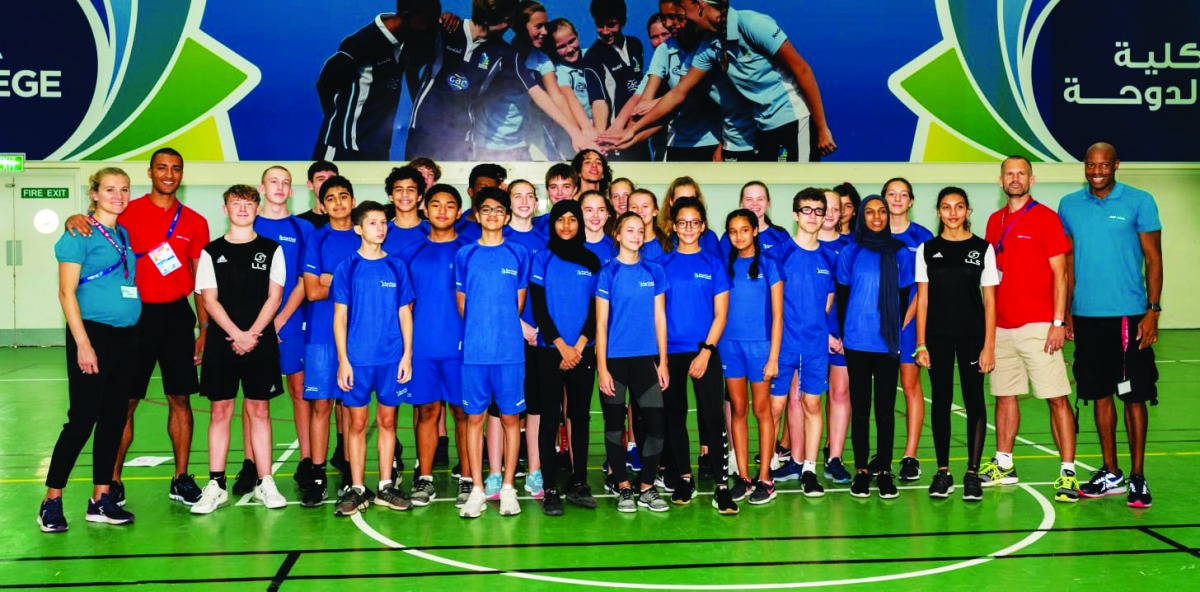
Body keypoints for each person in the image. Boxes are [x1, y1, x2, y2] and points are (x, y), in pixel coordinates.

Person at [65, 148, 209, 507]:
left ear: (181, 174)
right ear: (150, 172)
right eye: (162, 167)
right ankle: (111, 480)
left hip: (177, 318)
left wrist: (203, 326)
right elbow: (95, 222)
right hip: (135, 318)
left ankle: (181, 477)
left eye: (176, 168)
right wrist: (74, 217)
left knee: (181, 398)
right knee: (123, 402)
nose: (169, 174)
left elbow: (200, 280)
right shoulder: (127, 210)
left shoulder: (194, 221)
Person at [1059, 142, 1162, 508]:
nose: (1096, 170)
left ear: (1116, 165)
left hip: (1128, 315)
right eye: (1090, 164)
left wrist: (1152, 310)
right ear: (1084, 166)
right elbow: (1068, 264)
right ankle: (1111, 472)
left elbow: (1153, 258)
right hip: (1087, 316)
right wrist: (1067, 310)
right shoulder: (1069, 205)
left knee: (1133, 395)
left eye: (1103, 164)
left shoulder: (1140, 200)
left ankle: (1137, 476)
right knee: (1099, 393)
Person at [612, 0, 835, 161]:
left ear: (699, 6)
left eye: (684, 13)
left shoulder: (752, 23)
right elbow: (678, 94)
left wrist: (822, 127)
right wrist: (634, 130)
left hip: (793, 120)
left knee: (797, 194)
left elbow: (802, 69)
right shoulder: (709, 47)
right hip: (764, 128)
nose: (682, 20)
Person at [41, 168, 140, 532]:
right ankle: (51, 500)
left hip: (126, 337)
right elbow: (66, 292)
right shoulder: (78, 232)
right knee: (82, 419)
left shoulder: (122, 233)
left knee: (114, 418)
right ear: (94, 194)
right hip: (92, 337)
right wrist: (83, 344)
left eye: (124, 189)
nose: (118, 195)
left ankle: (100, 499)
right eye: (110, 189)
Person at [981, 155, 1079, 503]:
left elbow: (1061, 274)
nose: (1015, 178)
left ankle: (1068, 472)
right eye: (1009, 173)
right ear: (1001, 180)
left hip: (1039, 325)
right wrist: (989, 330)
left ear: (1032, 180)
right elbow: (991, 278)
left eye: (1021, 173)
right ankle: (1004, 464)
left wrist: (1057, 322)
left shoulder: (1046, 219)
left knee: (1056, 399)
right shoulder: (994, 221)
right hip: (1003, 326)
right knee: (1004, 396)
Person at [190, 185, 287, 515]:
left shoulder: (272, 249)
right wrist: (236, 334)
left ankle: (265, 481)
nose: (243, 209)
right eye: (236, 203)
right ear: (225, 209)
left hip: (259, 342)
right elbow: (209, 299)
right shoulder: (210, 251)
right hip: (223, 343)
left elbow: (274, 297)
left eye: (249, 203)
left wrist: (253, 334)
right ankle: (216, 484)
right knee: (220, 412)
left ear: (258, 209)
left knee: (260, 411)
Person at [232, 167, 316, 496]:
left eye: (285, 183)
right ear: (261, 187)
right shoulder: (249, 224)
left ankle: (307, 462)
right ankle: (250, 464)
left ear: (292, 190)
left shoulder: (303, 227)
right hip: (251, 326)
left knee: (300, 392)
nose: (279, 188)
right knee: (253, 398)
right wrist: (256, 326)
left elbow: (303, 280)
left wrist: (279, 321)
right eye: (273, 182)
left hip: (290, 322)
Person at [332, 201, 416, 516]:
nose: (380, 228)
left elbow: (405, 313)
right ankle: (356, 487)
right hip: (357, 359)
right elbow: (339, 317)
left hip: (391, 359)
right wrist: (343, 359)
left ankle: (385, 486)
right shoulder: (347, 267)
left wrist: (406, 354)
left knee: (388, 421)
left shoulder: (396, 266)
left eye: (383, 223)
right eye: (373, 223)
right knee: (356, 423)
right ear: (358, 228)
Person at [914, 187, 998, 502]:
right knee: (942, 401)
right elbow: (922, 299)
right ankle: (943, 471)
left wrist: (989, 345)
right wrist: (921, 343)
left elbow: (990, 302)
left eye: (959, 206)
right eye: (947, 207)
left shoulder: (983, 249)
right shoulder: (926, 249)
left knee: (975, 401)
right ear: (938, 212)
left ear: (967, 211)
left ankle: (973, 473)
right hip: (937, 336)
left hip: (973, 336)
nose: (953, 213)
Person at [455, 187, 531, 519]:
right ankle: (476, 490)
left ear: (508, 217)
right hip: (475, 352)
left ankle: (510, 487)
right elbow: (463, 308)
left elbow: (518, 304)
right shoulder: (465, 255)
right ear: (477, 214)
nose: (492, 216)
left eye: (499, 211)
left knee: (512, 418)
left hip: (510, 352)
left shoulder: (519, 254)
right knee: (475, 419)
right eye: (486, 210)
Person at [396, 185, 473, 507]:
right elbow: (403, 307)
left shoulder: (471, 250)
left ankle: (468, 479)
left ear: (458, 212)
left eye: (450, 205)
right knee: (426, 412)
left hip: (461, 350)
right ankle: (424, 478)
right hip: (423, 349)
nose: (442, 211)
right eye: (436, 205)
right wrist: (406, 351)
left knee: (464, 414)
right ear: (425, 210)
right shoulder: (409, 254)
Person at [836, 195, 914, 499]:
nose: (877, 217)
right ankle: (861, 471)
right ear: (862, 217)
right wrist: (845, 333)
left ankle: (883, 470)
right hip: (856, 342)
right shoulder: (850, 252)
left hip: (887, 345)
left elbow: (905, 297)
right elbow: (842, 298)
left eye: (882, 211)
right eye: (870, 212)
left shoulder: (900, 253)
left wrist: (894, 332)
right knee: (860, 409)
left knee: (884, 410)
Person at [529, 199, 602, 515]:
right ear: (553, 224)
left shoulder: (593, 261)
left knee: (580, 418)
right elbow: (539, 308)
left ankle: (580, 483)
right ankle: (551, 489)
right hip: (550, 353)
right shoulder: (541, 259)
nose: (567, 224)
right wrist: (560, 345)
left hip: (583, 352)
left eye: (574, 219)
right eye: (561, 219)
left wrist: (581, 344)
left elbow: (596, 309)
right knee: (549, 417)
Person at [595, 212, 671, 512]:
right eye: (630, 230)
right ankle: (624, 487)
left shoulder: (654, 271)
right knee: (615, 426)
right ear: (617, 234)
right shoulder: (607, 273)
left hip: (645, 361)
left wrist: (662, 362)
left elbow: (660, 319)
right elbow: (600, 325)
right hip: (614, 361)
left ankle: (647, 487)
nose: (636, 236)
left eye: (640, 231)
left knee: (655, 425)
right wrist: (601, 367)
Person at [657, 198, 729, 506]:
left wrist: (707, 351)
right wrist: (661, 360)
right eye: (682, 222)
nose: (688, 228)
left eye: (695, 222)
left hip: (705, 352)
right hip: (671, 353)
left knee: (713, 415)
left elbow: (721, 313)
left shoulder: (713, 264)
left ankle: (722, 485)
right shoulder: (662, 265)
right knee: (674, 416)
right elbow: (658, 315)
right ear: (673, 226)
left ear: (702, 226)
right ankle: (685, 478)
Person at [767, 188, 836, 499]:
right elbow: (771, 303)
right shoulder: (778, 254)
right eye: (806, 210)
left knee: (812, 403)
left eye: (818, 211)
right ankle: (766, 467)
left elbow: (829, 298)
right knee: (776, 405)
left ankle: (809, 469)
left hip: (814, 346)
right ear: (795, 214)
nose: (812, 216)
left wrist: (816, 328)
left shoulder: (829, 257)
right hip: (782, 346)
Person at [314, 0, 443, 160]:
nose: (429, 33)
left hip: (376, 149)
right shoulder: (362, 42)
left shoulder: (409, 35)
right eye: (426, 27)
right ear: (406, 16)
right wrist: (337, 120)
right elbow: (324, 82)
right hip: (342, 148)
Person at [300, 175, 361, 508]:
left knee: (353, 408)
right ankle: (319, 475)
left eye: (344, 196)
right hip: (322, 335)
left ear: (352, 201)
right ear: (323, 205)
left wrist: (330, 279)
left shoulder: (363, 235)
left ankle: (353, 476)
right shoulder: (317, 238)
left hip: (359, 337)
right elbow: (311, 291)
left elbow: (367, 287)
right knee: (322, 406)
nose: (338, 203)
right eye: (331, 198)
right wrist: (347, 281)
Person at [717, 209, 781, 512]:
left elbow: (778, 316)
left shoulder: (769, 265)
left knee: (762, 411)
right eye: (732, 231)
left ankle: (765, 477)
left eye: (744, 230)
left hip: (760, 348)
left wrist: (773, 358)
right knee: (738, 410)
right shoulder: (724, 267)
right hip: (731, 347)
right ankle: (742, 476)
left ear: (755, 231)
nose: (738, 236)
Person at [405, 0, 517, 161]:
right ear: (488, 17)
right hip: (424, 130)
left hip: (460, 138)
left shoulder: (502, 53)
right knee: (417, 183)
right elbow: (412, 68)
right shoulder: (448, 30)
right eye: (506, 20)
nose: (509, 26)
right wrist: (423, 102)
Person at [883, 177, 933, 482]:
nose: (897, 199)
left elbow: (923, 286)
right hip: (878, 326)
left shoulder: (922, 237)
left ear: (911, 201)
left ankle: (910, 455)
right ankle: (883, 452)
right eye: (892, 194)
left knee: (910, 386)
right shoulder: (873, 233)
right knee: (883, 391)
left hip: (911, 325)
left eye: (903, 195)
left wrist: (906, 316)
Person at [816, 189, 852, 484]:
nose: (829, 212)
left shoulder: (851, 249)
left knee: (840, 393)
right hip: (808, 335)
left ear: (842, 213)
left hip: (842, 337)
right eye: (823, 207)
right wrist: (822, 331)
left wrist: (841, 334)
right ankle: (802, 460)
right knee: (803, 398)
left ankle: (835, 456)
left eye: (835, 208)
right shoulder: (801, 247)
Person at [584, 0, 648, 160]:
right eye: (600, 25)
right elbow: (598, 100)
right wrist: (602, 139)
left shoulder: (635, 45)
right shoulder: (593, 56)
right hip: (614, 139)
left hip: (637, 131)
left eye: (611, 24)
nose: (605, 31)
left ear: (623, 20)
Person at [548, 18, 605, 143]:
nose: (569, 49)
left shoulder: (591, 56)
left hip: (602, 124)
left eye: (572, 41)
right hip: (581, 128)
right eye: (561, 46)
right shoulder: (558, 69)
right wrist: (587, 128)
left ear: (577, 36)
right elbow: (569, 96)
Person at [719, 181, 790, 255]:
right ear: (741, 204)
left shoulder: (781, 235)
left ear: (768, 203)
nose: (755, 204)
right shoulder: (730, 236)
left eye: (760, 199)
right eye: (749, 199)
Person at [658, 177, 720, 254]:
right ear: (671, 202)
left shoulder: (709, 237)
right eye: (680, 200)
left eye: (691, 199)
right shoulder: (659, 236)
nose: (687, 204)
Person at [382, 166, 430, 255]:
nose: (405, 194)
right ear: (391, 197)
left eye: (411, 190)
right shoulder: (381, 231)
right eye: (399, 189)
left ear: (419, 196)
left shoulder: (431, 230)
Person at [628, 188, 669, 260]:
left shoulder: (667, 246)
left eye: (645, 206)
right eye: (634, 207)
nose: (639, 211)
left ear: (655, 211)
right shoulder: (621, 245)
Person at [297, 161, 339, 229]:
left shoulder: (353, 220)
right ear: (310, 185)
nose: (327, 183)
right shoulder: (298, 223)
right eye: (321, 179)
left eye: (331, 178)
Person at [580, 190, 616, 263]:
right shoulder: (567, 247)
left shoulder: (614, 249)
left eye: (601, 210)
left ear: (607, 214)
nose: (595, 215)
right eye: (589, 210)